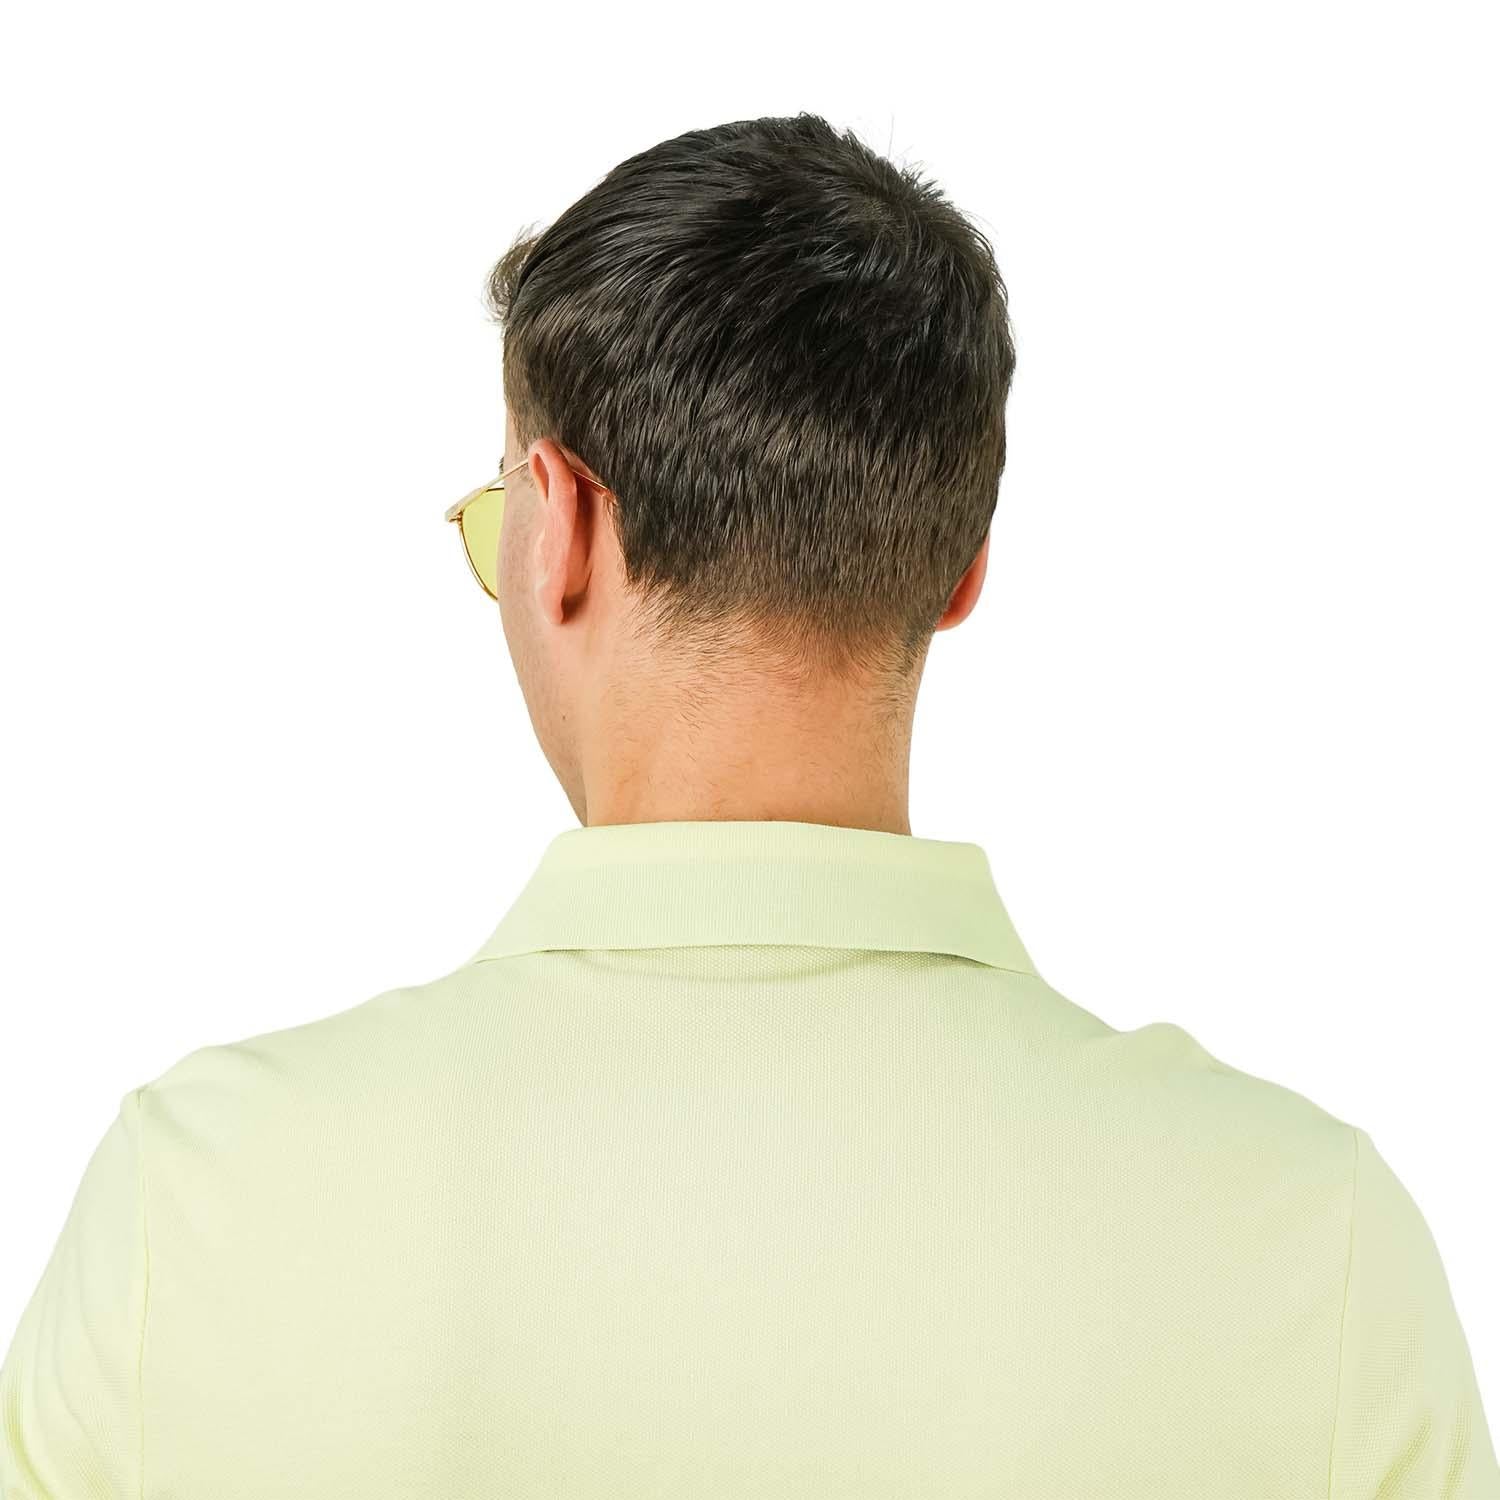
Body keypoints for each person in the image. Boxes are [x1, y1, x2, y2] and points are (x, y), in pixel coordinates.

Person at [2, 112, 1495, 1500]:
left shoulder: (195, 1204)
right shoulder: (1314, 1244)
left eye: (497, 514)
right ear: (962, 568)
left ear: (558, 527)